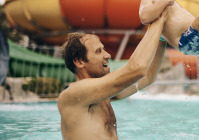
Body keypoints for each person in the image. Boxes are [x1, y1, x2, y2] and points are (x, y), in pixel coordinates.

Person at [58, 8, 168, 140]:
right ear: (79, 61)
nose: (108, 55)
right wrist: (158, 21)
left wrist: (162, 38)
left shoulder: (104, 95)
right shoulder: (73, 94)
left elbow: (148, 77)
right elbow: (137, 69)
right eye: (99, 51)